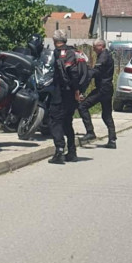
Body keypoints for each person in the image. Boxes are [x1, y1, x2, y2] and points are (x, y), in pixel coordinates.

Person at [49, 29, 81, 164]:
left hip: (60, 93)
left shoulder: (56, 53)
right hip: (72, 93)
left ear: (54, 40)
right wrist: (77, 90)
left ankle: (59, 151)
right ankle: (72, 152)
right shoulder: (73, 52)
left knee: (55, 121)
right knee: (68, 122)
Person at [78, 39, 117, 149]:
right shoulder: (107, 55)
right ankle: (112, 140)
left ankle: (90, 132)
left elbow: (96, 71)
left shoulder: (103, 56)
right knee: (106, 115)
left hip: (102, 89)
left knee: (82, 106)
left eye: (95, 47)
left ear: (101, 46)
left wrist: (87, 75)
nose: (94, 50)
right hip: (108, 88)